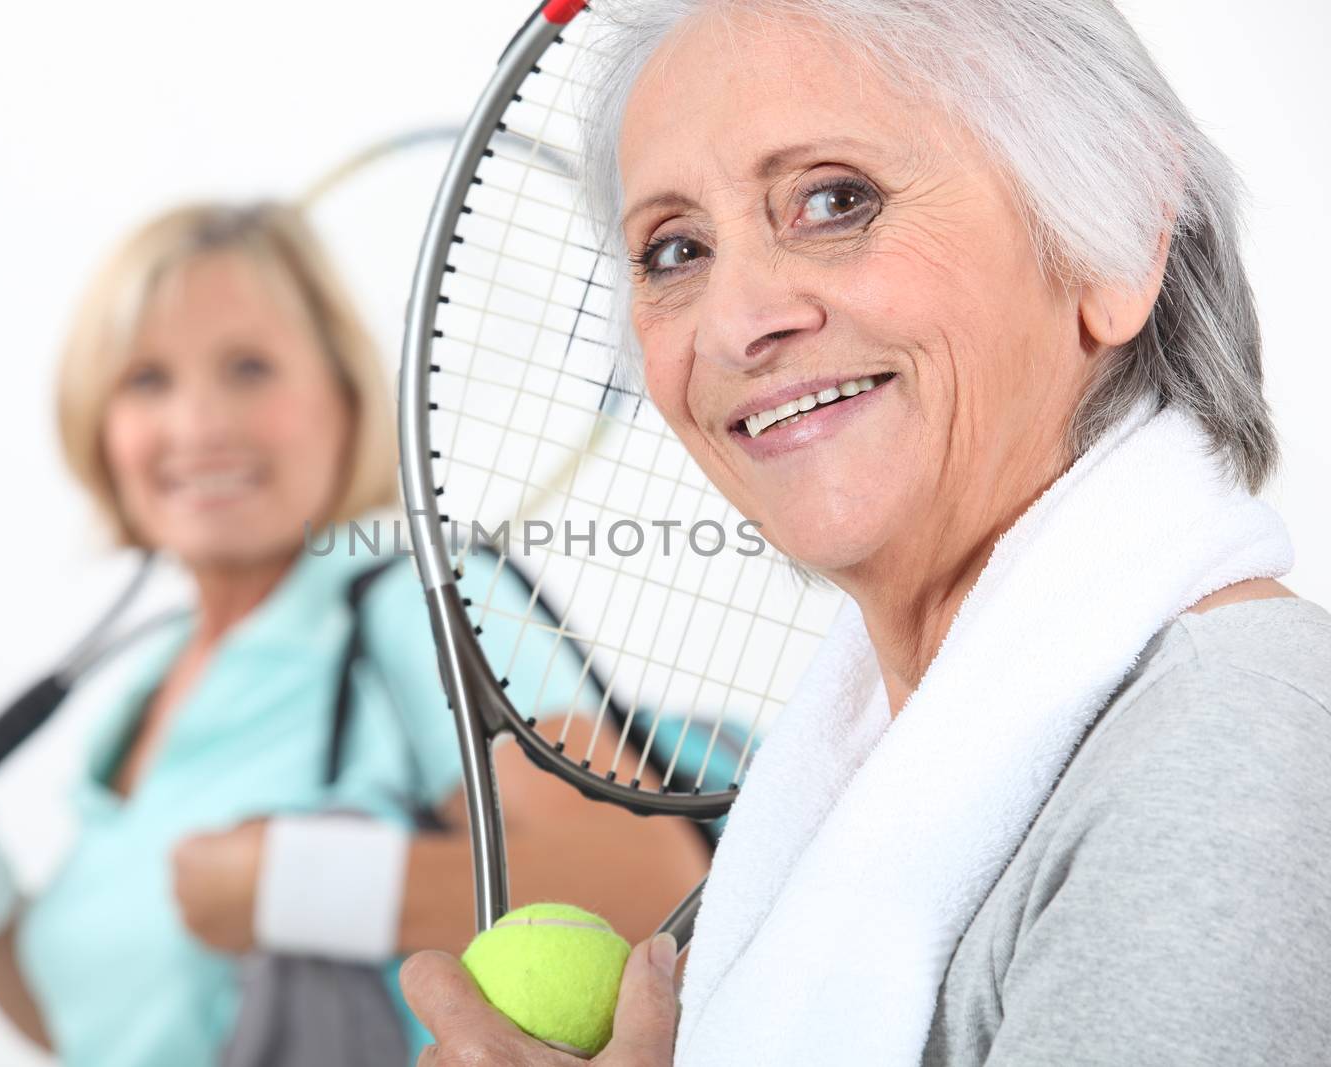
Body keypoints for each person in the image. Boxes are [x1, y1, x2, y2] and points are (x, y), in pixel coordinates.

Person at [401, 2, 1331, 1065]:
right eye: (673, 250)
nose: (737, 320)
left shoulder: (1230, 750)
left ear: (1114, 238)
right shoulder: (857, 794)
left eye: (834, 200)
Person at [0, 201, 707, 1066]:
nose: (198, 425)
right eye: (147, 379)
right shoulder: (148, 688)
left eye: (250, 367)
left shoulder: (423, 599)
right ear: (99, 424)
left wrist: (292, 884)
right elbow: (103, 1024)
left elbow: (654, 883)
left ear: (343, 396)